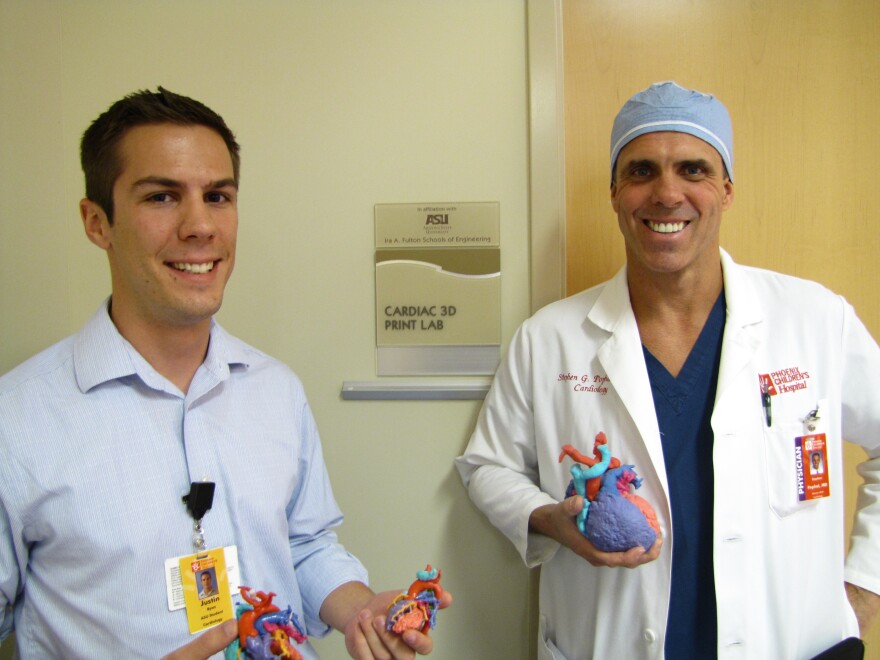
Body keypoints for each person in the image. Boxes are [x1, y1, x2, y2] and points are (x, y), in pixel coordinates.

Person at [0, 87, 449, 660]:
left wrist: (363, 610)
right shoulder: (17, 421)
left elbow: (304, 544)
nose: (199, 226)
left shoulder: (275, 390)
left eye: (217, 196)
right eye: (161, 197)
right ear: (97, 223)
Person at [455, 81, 880, 659]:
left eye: (693, 170)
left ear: (726, 190)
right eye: (641, 172)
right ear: (614, 193)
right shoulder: (549, 339)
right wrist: (549, 519)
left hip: (792, 644)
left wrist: (864, 587)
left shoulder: (814, 321)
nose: (667, 193)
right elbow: (486, 466)